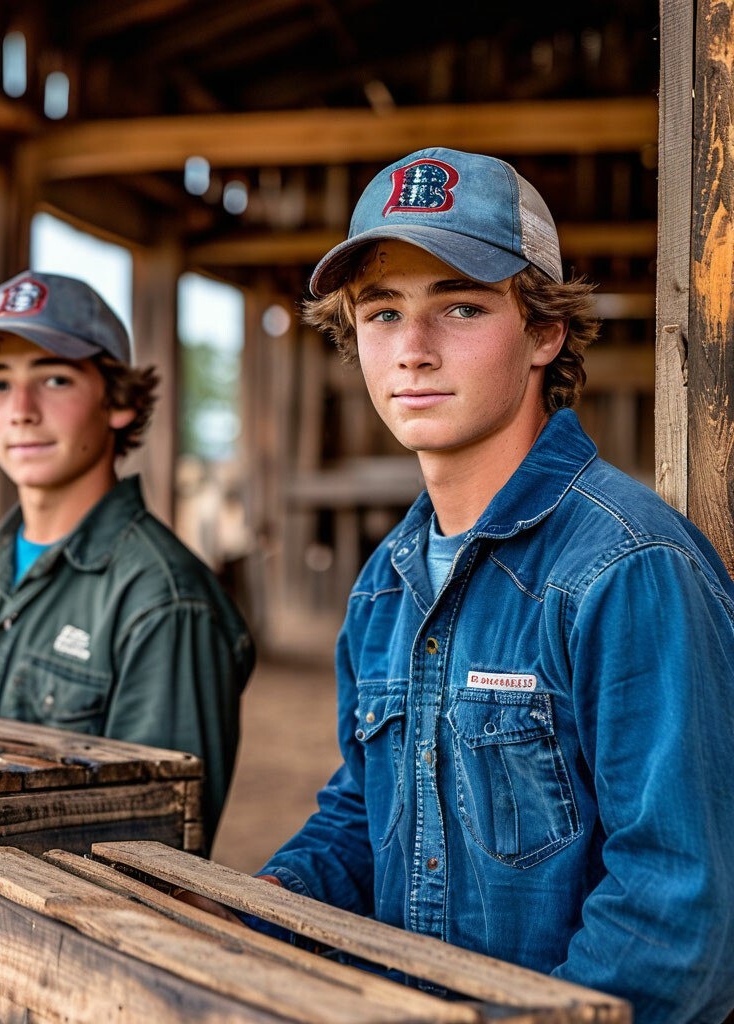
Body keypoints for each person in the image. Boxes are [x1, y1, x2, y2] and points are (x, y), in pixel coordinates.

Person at [243, 149, 734, 1020]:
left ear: (545, 330)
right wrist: (259, 906)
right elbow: (364, 814)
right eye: (383, 312)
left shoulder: (628, 570)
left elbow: (675, 916)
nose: (414, 351)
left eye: (460, 307)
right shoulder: (384, 587)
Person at [0, 270, 255, 853]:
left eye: (55, 379)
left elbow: (158, 846)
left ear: (120, 402)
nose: (22, 411)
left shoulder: (165, 600)